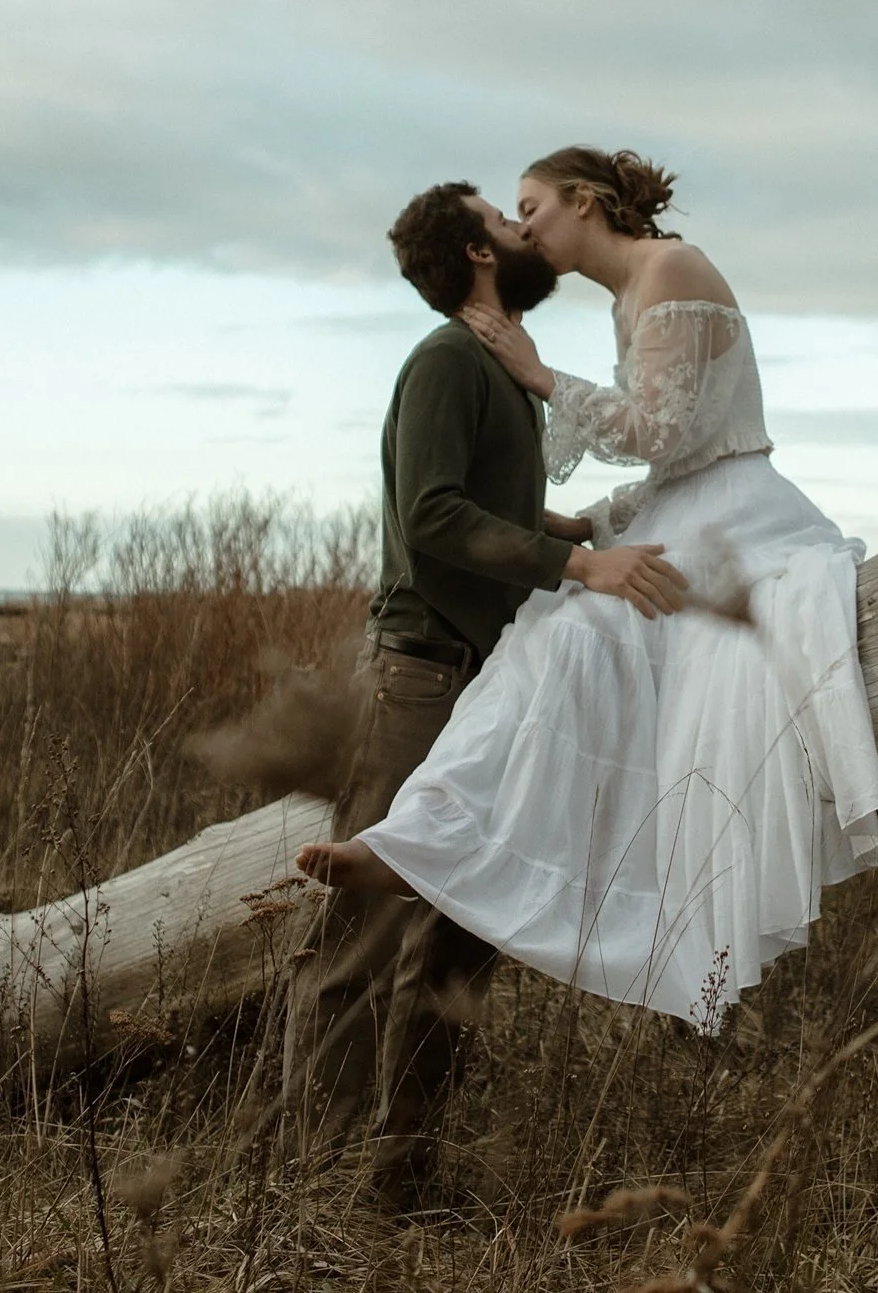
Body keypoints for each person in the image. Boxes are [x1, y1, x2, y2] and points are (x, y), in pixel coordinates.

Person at [298, 146, 878, 1030]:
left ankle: (436, 846)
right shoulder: (577, 313)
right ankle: (421, 841)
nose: (524, 223)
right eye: (510, 214)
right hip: (682, 502)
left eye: (531, 205)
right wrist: (574, 533)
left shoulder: (669, 268)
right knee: (560, 640)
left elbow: (661, 433)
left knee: (575, 639)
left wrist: (542, 378)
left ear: (583, 201)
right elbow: (464, 503)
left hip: (731, 509)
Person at [283, 178, 688, 1200]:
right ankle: (315, 1184)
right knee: (364, 936)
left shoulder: (499, 366)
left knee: (462, 928)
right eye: (505, 221)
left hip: (491, 681)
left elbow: (492, 505)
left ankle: (398, 1177)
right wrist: (579, 566)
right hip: (422, 673)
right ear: (475, 251)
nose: (524, 230)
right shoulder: (445, 361)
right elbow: (432, 514)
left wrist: (586, 528)